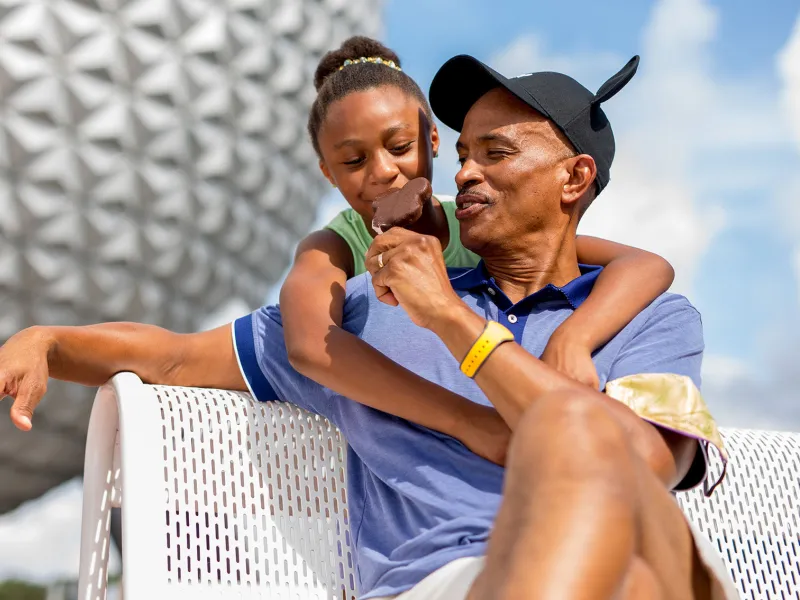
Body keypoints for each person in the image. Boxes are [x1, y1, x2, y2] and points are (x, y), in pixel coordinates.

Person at [0, 55, 736, 600]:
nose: (468, 175)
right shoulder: (358, 310)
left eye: (498, 153)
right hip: (455, 580)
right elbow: (173, 360)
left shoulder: (649, 316)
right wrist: (52, 342)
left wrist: (454, 324)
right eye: (468, 154)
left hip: (637, 559)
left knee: (614, 512)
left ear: (574, 179)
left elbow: (640, 464)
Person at [280, 36, 677, 436]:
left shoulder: (478, 224)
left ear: (432, 141)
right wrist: (468, 423)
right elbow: (310, 344)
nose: (382, 171)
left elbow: (645, 264)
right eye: (353, 160)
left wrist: (573, 338)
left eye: (400, 146)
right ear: (328, 173)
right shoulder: (334, 248)